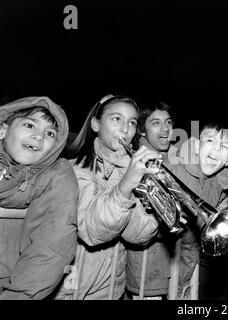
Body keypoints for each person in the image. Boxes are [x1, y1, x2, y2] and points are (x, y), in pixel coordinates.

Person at [54, 94, 159, 300]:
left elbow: (137, 236)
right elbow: (92, 231)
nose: (125, 128)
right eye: (116, 119)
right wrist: (126, 185)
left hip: (110, 288)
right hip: (68, 287)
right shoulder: (73, 169)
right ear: (95, 124)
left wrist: (154, 203)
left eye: (132, 122)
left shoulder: (131, 171)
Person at [0, 96, 78, 299]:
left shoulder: (56, 175)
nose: (39, 136)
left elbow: (52, 245)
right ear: (3, 130)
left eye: (50, 133)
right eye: (29, 125)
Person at [162, 122, 228, 299]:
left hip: (186, 268)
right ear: (197, 146)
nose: (215, 149)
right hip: (157, 266)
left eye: (224, 146)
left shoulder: (220, 185)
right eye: (210, 140)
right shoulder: (173, 167)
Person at [125, 102, 176, 300]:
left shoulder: (175, 158)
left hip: (171, 264)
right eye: (156, 123)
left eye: (168, 122)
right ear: (142, 131)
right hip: (147, 264)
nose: (165, 129)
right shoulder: (137, 161)